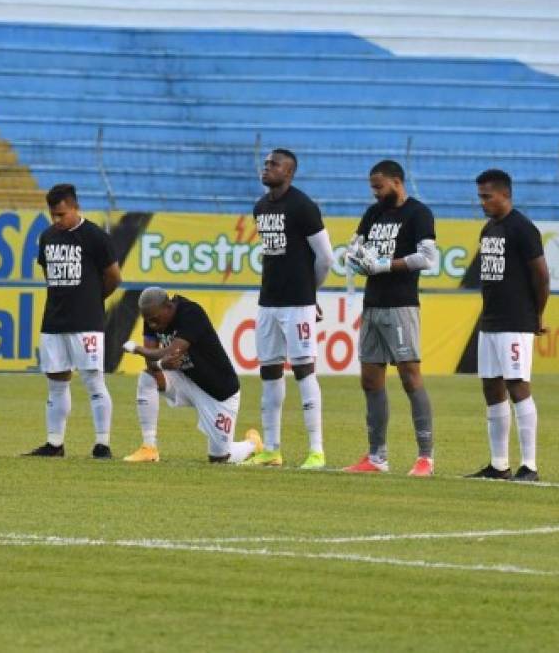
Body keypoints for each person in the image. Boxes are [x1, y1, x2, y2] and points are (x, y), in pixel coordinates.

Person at [343, 160, 438, 476]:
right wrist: (354, 258)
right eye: (372, 187)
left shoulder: (419, 213)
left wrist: (384, 264)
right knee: (370, 379)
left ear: (397, 182)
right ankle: (376, 457)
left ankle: (425, 457)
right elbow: (355, 246)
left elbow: (428, 258)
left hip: (401, 305)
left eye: (379, 186)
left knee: (410, 377)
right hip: (373, 304)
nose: (375, 192)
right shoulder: (374, 213)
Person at [244, 148, 333, 469]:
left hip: (298, 304)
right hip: (268, 301)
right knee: (269, 371)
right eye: (266, 163)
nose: (266, 168)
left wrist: (311, 293)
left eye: (274, 165)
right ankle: (272, 449)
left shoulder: (303, 206)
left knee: (303, 370)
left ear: (290, 173)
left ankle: (316, 450)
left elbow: (326, 258)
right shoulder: (260, 207)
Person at [24, 183, 121, 458]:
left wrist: (92, 299)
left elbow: (114, 277)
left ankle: (102, 444)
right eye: (53, 215)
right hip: (54, 321)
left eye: (61, 214)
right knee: (56, 382)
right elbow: (49, 277)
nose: (56, 220)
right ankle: (55, 444)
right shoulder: (47, 237)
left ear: (75, 207)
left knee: (93, 381)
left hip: (86, 322)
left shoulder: (95, 237)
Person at [466, 169, 549, 481]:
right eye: (480, 197)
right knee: (491, 386)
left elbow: (541, 276)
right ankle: (499, 464)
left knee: (517, 385)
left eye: (487, 196)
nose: (482, 202)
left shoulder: (523, 229)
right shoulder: (488, 230)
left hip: (516, 320)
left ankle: (530, 465)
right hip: (490, 320)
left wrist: (537, 314)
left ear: (505, 195)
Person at [122, 287, 263, 463]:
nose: (152, 325)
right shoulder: (153, 316)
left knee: (219, 459)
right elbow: (152, 362)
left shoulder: (191, 313)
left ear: (168, 307)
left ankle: (252, 444)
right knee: (148, 377)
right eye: (148, 321)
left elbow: (171, 351)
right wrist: (158, 366)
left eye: (155, 320)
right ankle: (149, 448)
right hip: (186, 380)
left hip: (218, 392)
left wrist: (137, 349)